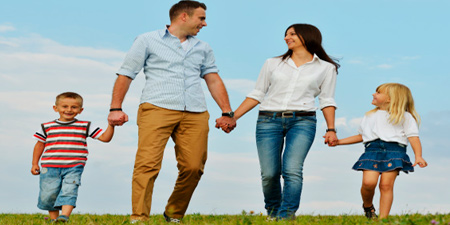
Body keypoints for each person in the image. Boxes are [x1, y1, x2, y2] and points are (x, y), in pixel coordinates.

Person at [107, 0, 235, 223]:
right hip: (157, 107)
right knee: (147, 164)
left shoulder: (203, 47)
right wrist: (115, 108)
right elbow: (126, 74)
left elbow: (213, 79)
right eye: (201, 18)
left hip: (195, 111)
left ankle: (174, 213)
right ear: (183, 17)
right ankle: (139, 217)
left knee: (194, 166)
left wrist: (227, 112)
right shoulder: (147, 40)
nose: (204, 23)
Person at [216, 24, 339, 220]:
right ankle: (273, 213)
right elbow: (257, 93)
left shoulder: (326, 68)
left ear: (306, 37)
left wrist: (331, 129)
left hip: (303, 122)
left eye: (292, 34)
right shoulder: (272, 63)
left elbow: (327, 100)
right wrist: (233, 117)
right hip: (268, 121)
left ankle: (286, 217)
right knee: (270, 173)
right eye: (286, 34)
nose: (286, 38)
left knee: (292, 169)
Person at [330, 83, 427, 219]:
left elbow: (413, 137)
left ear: (390, 99)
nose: (373, 94)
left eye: (378, 92)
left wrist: (419, 156)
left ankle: (383, 219)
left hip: (395, 151)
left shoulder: (405, 117)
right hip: (372, 151)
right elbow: (361, 136)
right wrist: (339, 142)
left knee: (386, 185)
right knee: (368, 183)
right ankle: (368, 206)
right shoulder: (369, 116)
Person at [31, 92, 115, 223]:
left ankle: (64, 216)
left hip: (74, 166)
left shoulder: (85, 125)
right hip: (49, 166)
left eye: (74, 107)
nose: (69, 110)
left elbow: (105, 138)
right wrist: (34, 163)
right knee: (48, 194)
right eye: (64, 106)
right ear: (56, 108)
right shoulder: (47, 127)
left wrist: (111, 125)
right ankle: (54, 220)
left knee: (69, 190)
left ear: (80, 110)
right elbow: (39, 145)